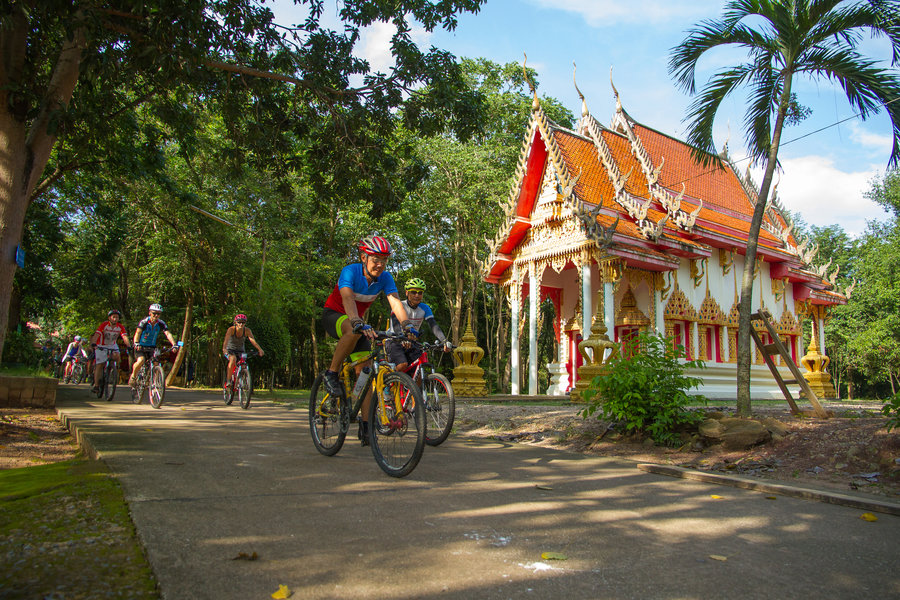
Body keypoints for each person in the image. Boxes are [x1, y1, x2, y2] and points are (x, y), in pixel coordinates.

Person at [321, 235, 417, 444]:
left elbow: (395, 302)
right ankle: (331, 373)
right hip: (335, 316)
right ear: (363, 257)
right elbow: (347, 297)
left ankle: (366, 427)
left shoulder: (385, 277)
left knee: (365, 376)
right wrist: (356, 321)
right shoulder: (350, 271)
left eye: (384, 259)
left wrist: (407, 325)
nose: (380, 264)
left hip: (357, 324)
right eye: (376, 259)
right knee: (353, 330)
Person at [387, 277, 453, 373]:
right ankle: (392, 383)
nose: (417, 295)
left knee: (419, 368)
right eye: (413, 292)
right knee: (402, 365)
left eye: (420, 293)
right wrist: (402, 338)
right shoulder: (399, 305)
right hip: (395, 340)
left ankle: (415, 388)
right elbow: (396, 325)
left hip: (411, 342)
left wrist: (444, 340)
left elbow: (433, 325)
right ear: (407, 293)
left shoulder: (425, 308)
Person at [129, 303, 178, 386]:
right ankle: (133, 376)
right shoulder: (144, 322)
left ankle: (155, 383)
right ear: (150, 313)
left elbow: (168, 334)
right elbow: (138, 333)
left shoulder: (161, 323)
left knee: (156, 363)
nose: (156, 315)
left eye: (158, 314)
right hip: (141, 346)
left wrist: (174, 344)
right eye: (154, 313)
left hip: (152, 347)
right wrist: (136, 343)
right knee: (141, 360)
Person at [89, 309, 133, 394]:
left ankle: (112, 369)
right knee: (100, 364)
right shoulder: (104, 325)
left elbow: (124, 337)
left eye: (117, 317)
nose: (115, 319)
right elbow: (97, 334)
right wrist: (94, 343)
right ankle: (97, 386)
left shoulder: (120, 326)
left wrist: (129, 346)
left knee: (117, 356)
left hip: (112, 344)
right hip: (101, 345)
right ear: (109, 318)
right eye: (113, 317)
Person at [222, 314, 264, 390]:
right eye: (239, 322)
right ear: (235, 322)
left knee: (243, 363)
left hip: (240, 350)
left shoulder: (247, 331)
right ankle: (228, 381)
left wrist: (260, 349)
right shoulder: (231, 330)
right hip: (230, 349)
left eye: (243, 322)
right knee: (233, 359)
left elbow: (252, 340)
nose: (241, 324)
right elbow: (226, 340)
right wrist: (224, 349)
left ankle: (241, 381)